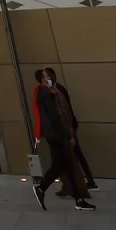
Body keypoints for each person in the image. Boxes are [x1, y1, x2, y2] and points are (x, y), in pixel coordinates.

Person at [31, 69, 94, 211]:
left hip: (55, 135)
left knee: (66, 165)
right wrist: (68, 135)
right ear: (42, 79)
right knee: (61, 165)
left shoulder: (47, 92)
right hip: (57, 135)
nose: (49, 78)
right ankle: (42, 188)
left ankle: (78, 198)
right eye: (46, 76)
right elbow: (55, 117)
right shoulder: (46, 94)